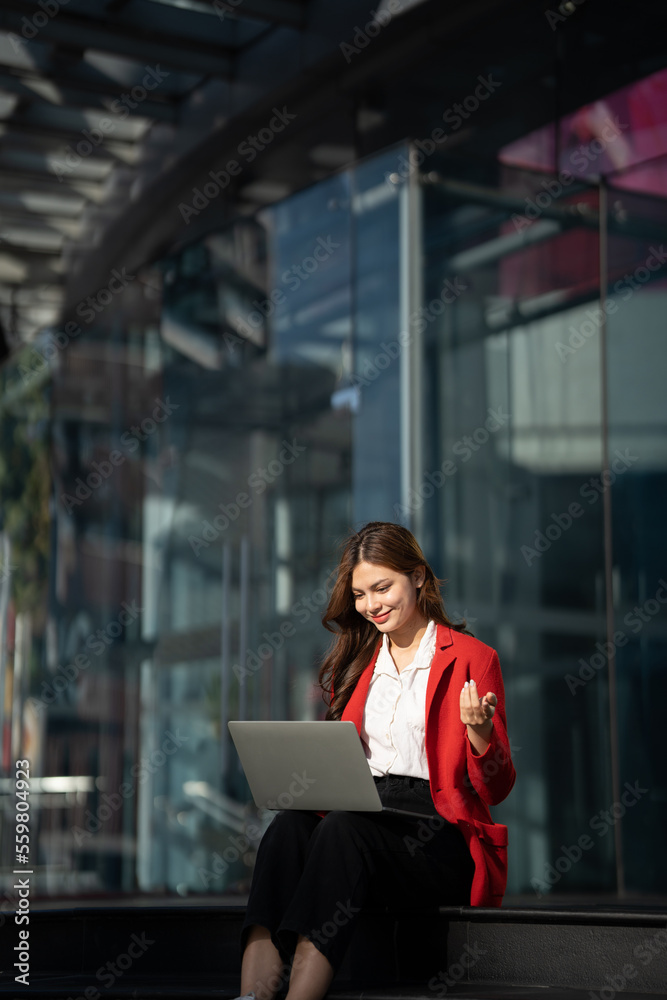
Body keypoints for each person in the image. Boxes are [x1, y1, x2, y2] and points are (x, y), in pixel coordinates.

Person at [234, 521, 515, 1000]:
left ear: (419, 577)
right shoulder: (361, 663)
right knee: (286, 829)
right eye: (361, 594)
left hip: (436, 834)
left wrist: (480, 731)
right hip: (365, 811)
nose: (371, 605)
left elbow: (496, 787)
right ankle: (251, 995)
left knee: (343, 828)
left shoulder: (473, 658)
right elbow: (340, 761)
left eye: (382, 588)